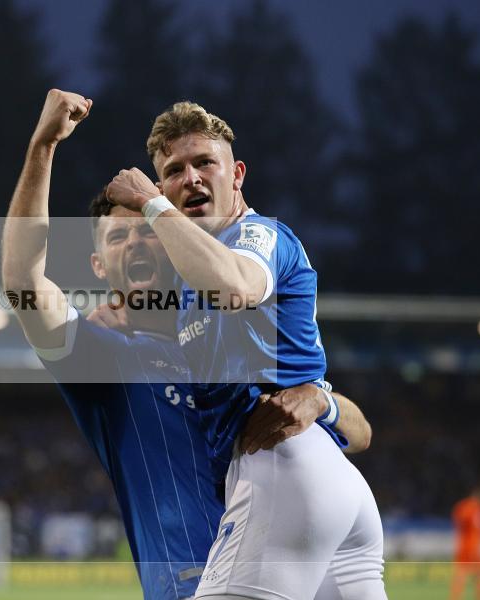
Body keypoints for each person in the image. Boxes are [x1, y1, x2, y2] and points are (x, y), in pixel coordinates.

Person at [2, 89, 373, 600]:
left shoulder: (219, 327)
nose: (135, 243)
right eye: (116, 239)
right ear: (98, 267)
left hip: (284, 547)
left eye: (148, 233)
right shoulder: (101, 355)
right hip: (195, 580)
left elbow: (360, 431)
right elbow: (22, 284)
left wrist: (321, 399)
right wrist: (43, 147)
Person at [107, 101, 386, 599]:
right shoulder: (188, 290)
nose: (190, 178)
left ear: (236, 175)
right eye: (174, 171)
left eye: (203, 163)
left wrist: (152, 204)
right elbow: (358, 430)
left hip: (280, 470)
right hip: (327, 483)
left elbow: (238, 285)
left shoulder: (257, 234)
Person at [450, 485, 480, 600]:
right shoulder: (478, 508)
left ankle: (455, 597)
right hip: (473, 547)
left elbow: (457, 522)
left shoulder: (463, 506)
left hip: (465, 546)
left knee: (462, 573)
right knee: (479, 575)